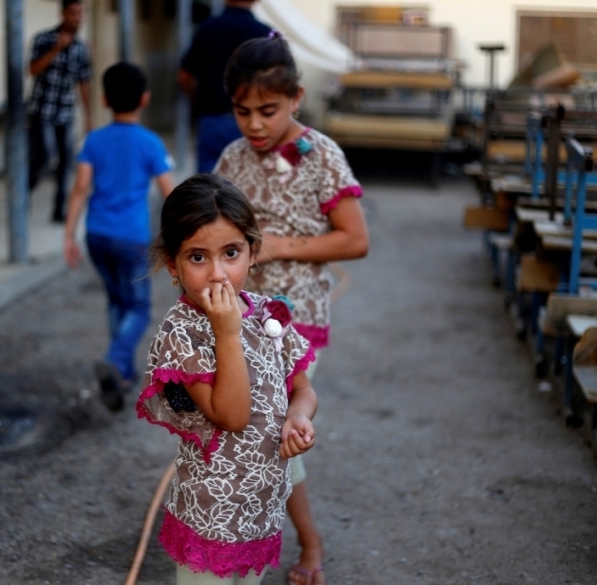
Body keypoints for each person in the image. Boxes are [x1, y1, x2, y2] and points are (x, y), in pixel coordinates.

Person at [214, 34, 370, 585]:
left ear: (297, 97)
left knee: (271, 432)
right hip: (237, 318)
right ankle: (293, 540)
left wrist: (280, 246)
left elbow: (355, 240)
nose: (254, 125)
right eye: (242, 111)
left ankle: (290, 544)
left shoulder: (323, 155)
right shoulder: (231, 158)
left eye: (268, 111)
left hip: (295, 320)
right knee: (258, 434)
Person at [136, 174, 318, 584]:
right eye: (198, 257)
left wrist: (299, 418)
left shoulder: (270, 314)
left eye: (231, 253)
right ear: (173, 265)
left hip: (262, 504)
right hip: (211, 512)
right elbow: (232, 416)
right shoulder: (183, 332)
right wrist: (227, 332)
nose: (217, 274)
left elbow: (302, 387)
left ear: (253, 253)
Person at [63, 62, 174, 412]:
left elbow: (81, 188)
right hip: (132, 239)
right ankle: (115, 357)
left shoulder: (94, 140)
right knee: (139, 308)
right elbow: (169, 192)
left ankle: (122, 374)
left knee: (116, 300)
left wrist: (69, 235)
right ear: (145, 98)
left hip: (97, 235)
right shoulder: (150, 143)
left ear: (105, 99)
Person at [178, 0, 270, 173]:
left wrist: (197, 99)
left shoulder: (207, 28)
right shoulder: (263, 33)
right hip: (252, 121)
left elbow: (185, 75)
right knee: (248, 183)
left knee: (208, 190)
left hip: (212, 117)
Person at [28, 0, 93, 222]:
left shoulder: (82, 48)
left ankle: (59, 210)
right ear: (62, 13)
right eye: (73, 12)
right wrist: (56, 48)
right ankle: (25, 189)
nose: (77, 17)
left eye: (80, 13)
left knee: (66, 162)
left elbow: (84, 82)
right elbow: (33, 69)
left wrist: (89, 116)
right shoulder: (43, 38)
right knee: (45, 156)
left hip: (65, 112)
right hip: (42, 110)